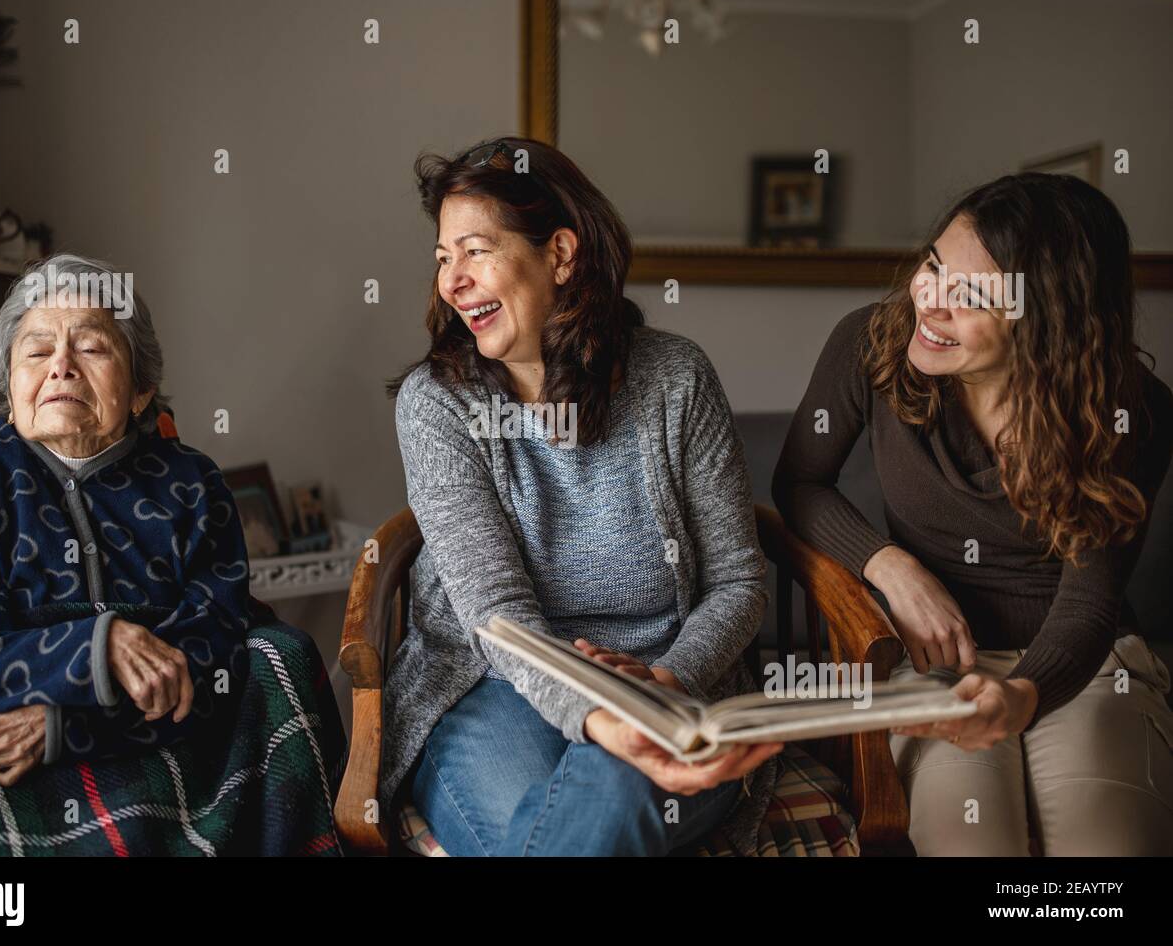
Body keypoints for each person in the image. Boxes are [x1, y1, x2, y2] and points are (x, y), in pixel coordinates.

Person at [382, 137, 782, 856]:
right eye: (444, 258)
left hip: (672, 680)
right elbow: (495, 618)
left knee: (612, 789)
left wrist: (664, 685)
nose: (452, 281)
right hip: (491, 688)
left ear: (561, 255)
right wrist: (606, 720)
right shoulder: (436, 405)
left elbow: (737, 579)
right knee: (592, 799)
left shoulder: (675, 381)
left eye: (474, 251)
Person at [774, 173, 1173, 855]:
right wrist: (889, 567)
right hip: (935, 667)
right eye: (933, 267)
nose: (930, 303)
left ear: (1050, 322)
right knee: (974, 843)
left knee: (1103, 857)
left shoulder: (1128, 408)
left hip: (1089, 660)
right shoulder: (869, 343)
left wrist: (1021, 694)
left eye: (972, 296)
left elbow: (1087, 603)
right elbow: (800, 483)